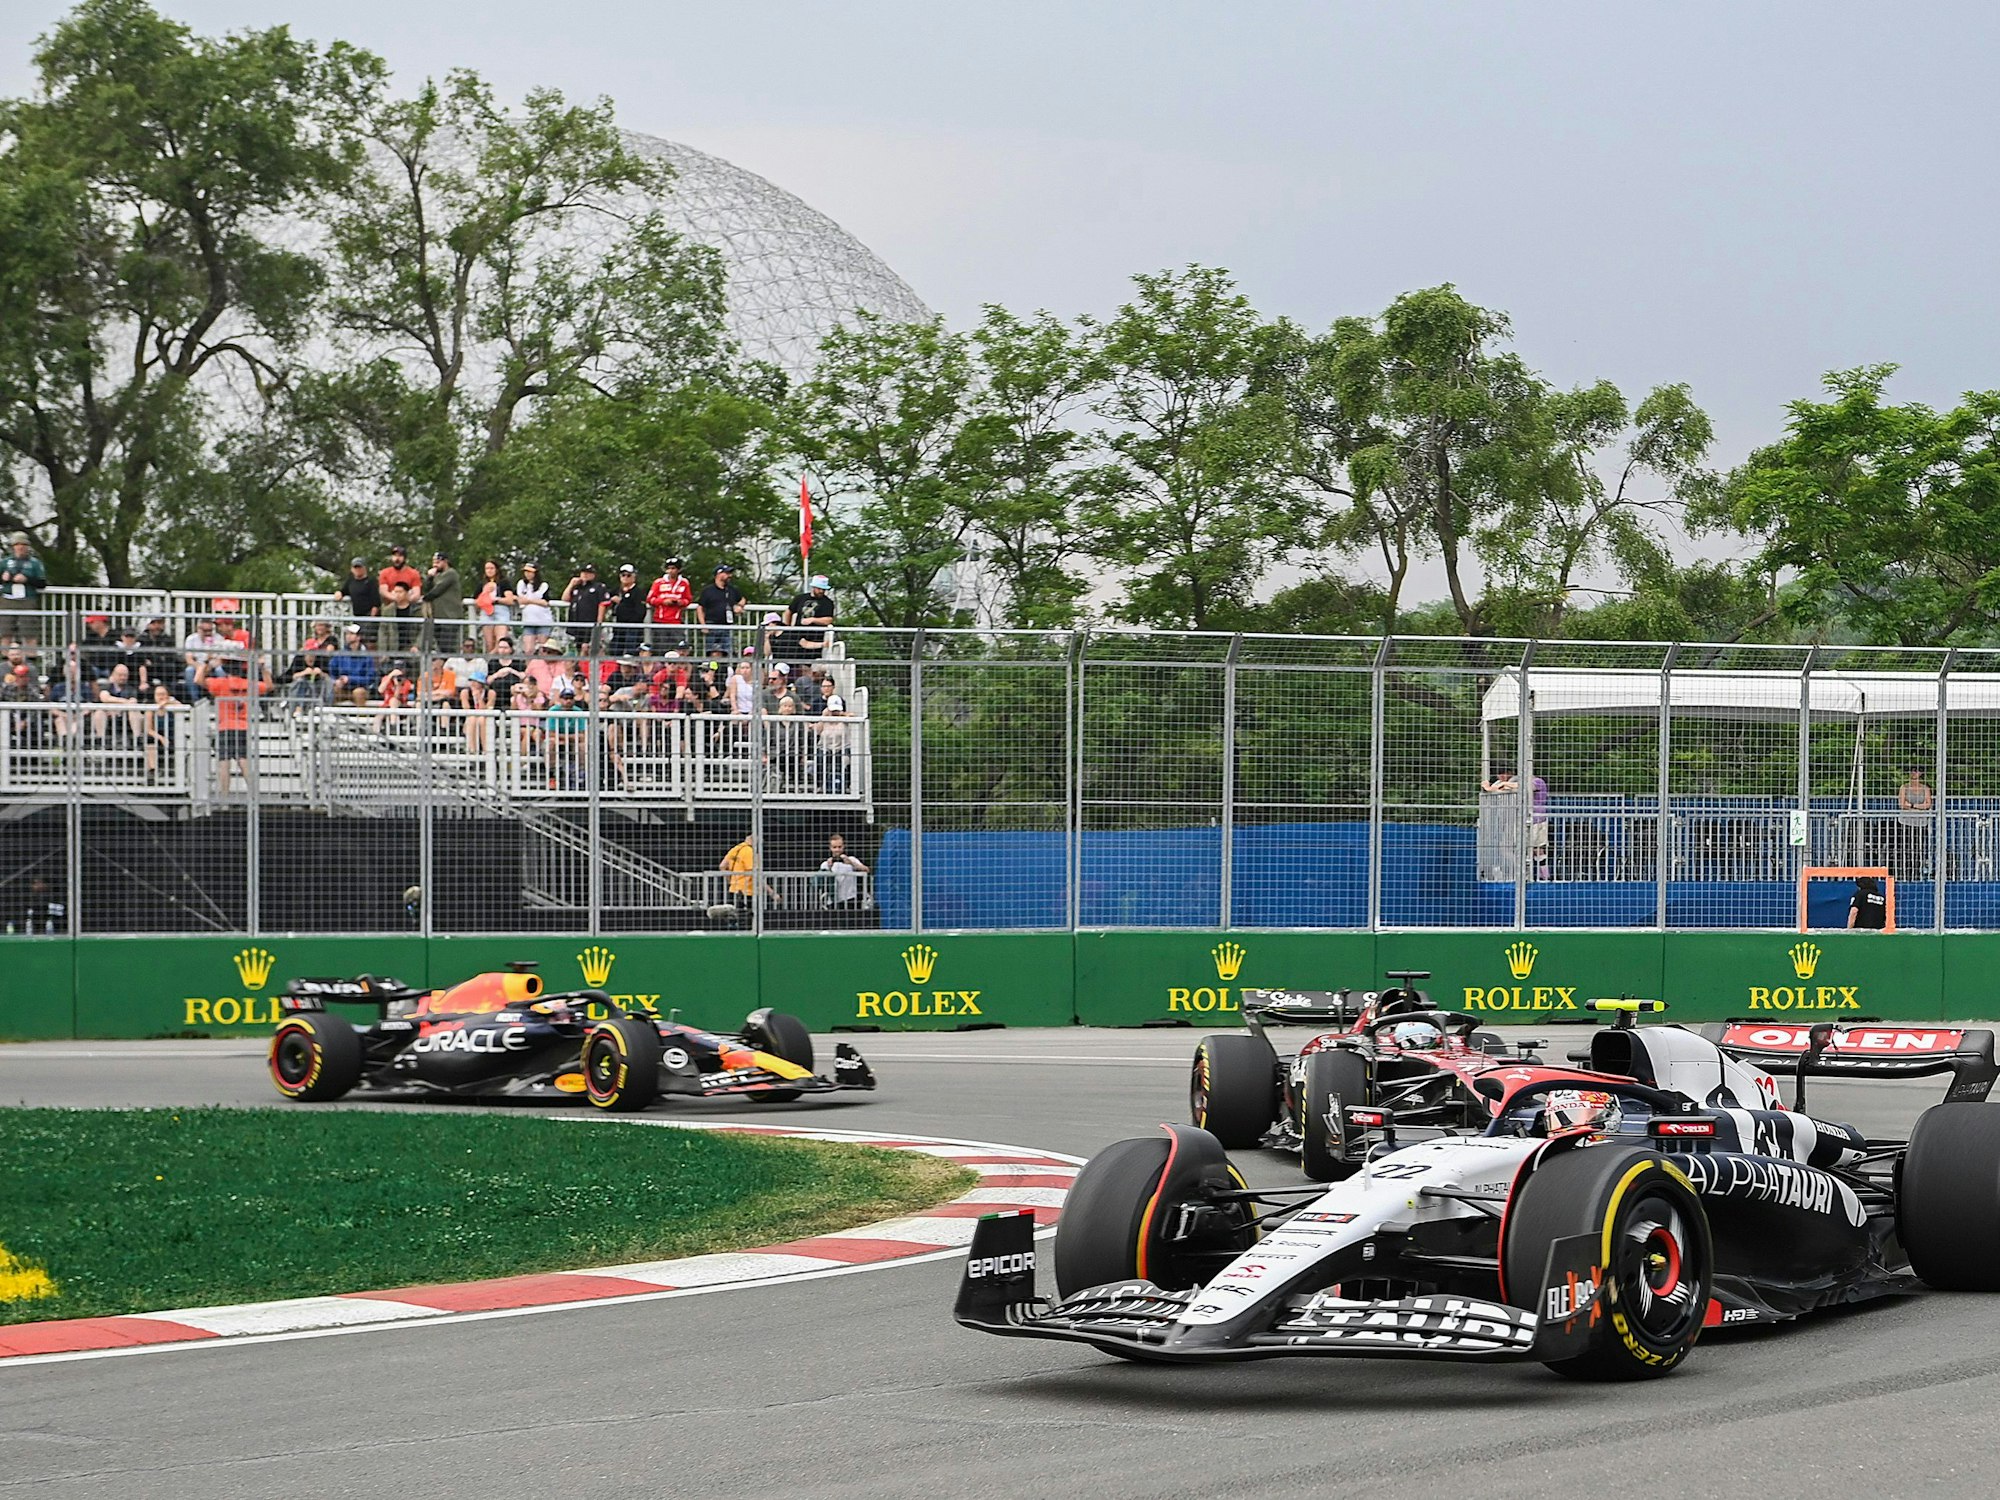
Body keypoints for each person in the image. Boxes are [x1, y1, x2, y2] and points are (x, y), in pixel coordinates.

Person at [198, 655, 258, 794]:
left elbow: (198, 680)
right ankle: (254, 793)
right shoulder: (248, 684)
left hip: (225, 726)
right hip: (243, 725)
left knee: (224, 761)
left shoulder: (220, 683)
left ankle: (224, 795)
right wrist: (263, 669)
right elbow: (269, 686)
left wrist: (206, 663)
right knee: (243, 759)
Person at [0, 534, 47, 638]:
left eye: (23, 544)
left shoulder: (35, 563)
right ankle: (5, 654)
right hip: (7, 600)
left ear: (28, 546)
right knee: (5, 633)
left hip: (27, 600)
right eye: (17, 544)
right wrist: (3, 578)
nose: (20, 547)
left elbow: (42, 583)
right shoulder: (5, 562)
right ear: (13, 546)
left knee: (29, 634)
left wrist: (27, 580)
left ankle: (31, 654)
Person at [377, 545, 422, 653]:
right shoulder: (385, 573)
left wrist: (405, 599)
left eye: (400, 556)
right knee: (387, 632)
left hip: (408, 608)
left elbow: (416, 592)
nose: (397, 559)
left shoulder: (413, 573)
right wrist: (396, 597)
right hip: (390, 608)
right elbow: (383, 590)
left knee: (412, 630)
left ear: (404, 558)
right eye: (394, 556)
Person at [719, 834, 779, 914]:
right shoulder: (749, 852)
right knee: (749, 918)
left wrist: (731, 881)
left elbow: (722, 866)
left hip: (733, 890)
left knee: (733, 916)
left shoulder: (736, 849)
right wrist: (771, 892)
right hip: (747, 892)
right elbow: (756, 875)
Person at [783, 575, 836, 661]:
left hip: (815, 638)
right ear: (813, 587)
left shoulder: (828, 603)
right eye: (819, 589)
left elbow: (828, 619)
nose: (821, 591)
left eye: (823, 589)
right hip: (797, 636)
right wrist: (787, 628)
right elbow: (789, 612)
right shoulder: (800, 598)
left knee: (811, 663)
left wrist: (813, 620)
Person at [419, 550, 464, 653]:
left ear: (445, 562)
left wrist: (425, 598)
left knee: (448, 647)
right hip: (438, 616)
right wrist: (429, 578)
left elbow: (437, 591)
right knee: (441, 648)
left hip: (450, 616)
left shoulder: (451, 573)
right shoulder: (436, 576)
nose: (435, 565)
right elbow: (426, 589)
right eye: (434, 562)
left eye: (438, 562)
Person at [563, 563, 612, 655]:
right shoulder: (577, 587)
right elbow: (565, 598)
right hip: (577, 623)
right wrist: (571, 584)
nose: (585, 575)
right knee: (578, 647)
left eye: (588, 573)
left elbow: (603, 604)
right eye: (583, 572)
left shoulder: (598, 587)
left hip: (590, 623)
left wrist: (599, 623)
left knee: (586, 647)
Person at [697, 564, 744, 658]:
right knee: (711, 652)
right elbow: (700, 608)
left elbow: (742, 599)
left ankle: (726, 671)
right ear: (718, 574)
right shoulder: (708, 591)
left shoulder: (732, 589)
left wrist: (739, 606)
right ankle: (711, 671)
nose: (730, 575)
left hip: (727, 625)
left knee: (728, 652)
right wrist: (703, 625)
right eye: (727, 573)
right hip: (711, 625)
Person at [818, 833, 869, 919]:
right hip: (833, 900)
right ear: (830, 848)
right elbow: (823, 882)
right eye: (834, 847)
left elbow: (866, 870)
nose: (837, 850)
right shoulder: (825, 864)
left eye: (839, 847)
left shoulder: (851, 859)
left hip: (850, 898)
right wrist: (829, 869)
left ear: (843, 847)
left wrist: (851, 863)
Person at [647, 557, 693, 652]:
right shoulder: (658, 582)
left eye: (673, 568)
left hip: (676, 621)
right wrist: (663, 601)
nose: (671, 571)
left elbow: (688, 599)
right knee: (661, 648)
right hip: (660, 621)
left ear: (679, 570)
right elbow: (650, 599)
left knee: (679, 648)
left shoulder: (684, 583)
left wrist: (681, 602)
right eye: (669, 568)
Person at [333, 558, 382, 646]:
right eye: (355, 567)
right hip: (357, 617)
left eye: (359, 567)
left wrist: (372, 619)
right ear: (352, 569)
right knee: (357, 641)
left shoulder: (371, 581)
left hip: (369, 615)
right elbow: (343, 591)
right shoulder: (350, 581)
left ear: (364, 568)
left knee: (369, 642)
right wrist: (339, 593)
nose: (357, 570)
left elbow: (376, 602)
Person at [1898, 768, 1935, 880]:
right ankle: (1905, 874)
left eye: (1917, 771)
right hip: (1906, 822)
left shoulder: (1925, 789)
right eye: (1912, 771)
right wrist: (1919, 806)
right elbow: (1902, 804)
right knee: (1905, 848)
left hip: (1921, 823)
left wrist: (1912, 805)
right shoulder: (1904, 787)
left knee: (1918, 848)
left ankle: (1916, 873)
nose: (1914, 773)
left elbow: (1928, 804)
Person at [607, 564, 650, 656]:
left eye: (628, 575)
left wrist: (622, 603)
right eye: (623, 575)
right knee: (615, 651)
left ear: (634, 576)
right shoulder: (616, 591)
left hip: (632, 628)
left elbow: (640, 612)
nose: (625, 577)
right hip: (618, 626)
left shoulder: (638, 592)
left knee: (631, 652)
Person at [475, 559, 514, 653]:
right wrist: (485, 592)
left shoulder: (504, 582)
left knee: (501, 641)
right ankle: (491, 663)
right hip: (486, 611)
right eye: (487, 568)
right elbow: (476, 602)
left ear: (497, 569)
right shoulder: (482, 583)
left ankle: (492, 658)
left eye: (492, 568)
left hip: (500, 610)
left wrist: (497, 599)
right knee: (489, 643)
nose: (489, 570)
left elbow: (510, 600)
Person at [515, 562, 555, 649]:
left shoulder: (543, 585)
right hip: (528, 620)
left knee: (542, 648)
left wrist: (529, 601)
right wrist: (535, 601)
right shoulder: (521, 584)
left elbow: (545, 602)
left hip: (543, 620)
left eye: (530, 572)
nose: (527, 574)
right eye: (526, 572)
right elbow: (520, 600)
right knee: (528, 649)